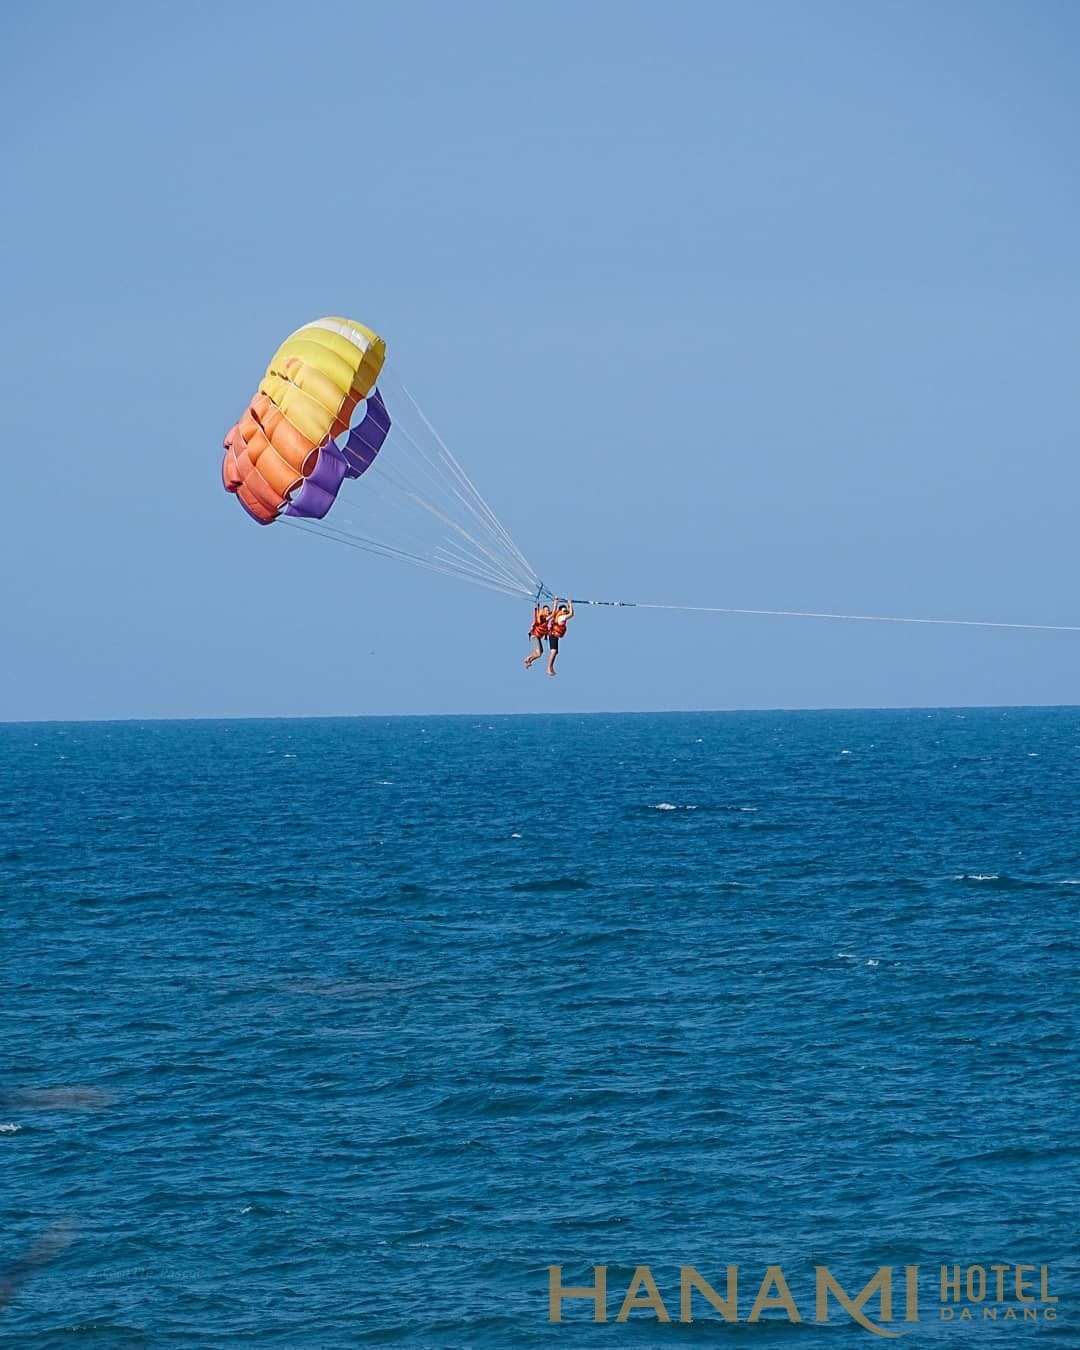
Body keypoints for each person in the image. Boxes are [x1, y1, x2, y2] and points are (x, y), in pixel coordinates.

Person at [545, 597, 573, 675]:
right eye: (564, 611)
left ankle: (550, 667)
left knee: (555, 652)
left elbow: (557, 610)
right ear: (560, 611)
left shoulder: (559, 615)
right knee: (554, 651)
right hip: (553, 635)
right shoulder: (561, 617)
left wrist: (556, 602)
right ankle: (549, 668)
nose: (565, 612)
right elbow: (571, 614)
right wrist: (570, 604)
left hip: (554, 635)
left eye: (565, 611)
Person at [524, 602, 552, 669]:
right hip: (534, 636)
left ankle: (529, 661)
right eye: (546, 610)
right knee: (538, 653)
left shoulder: (546, 617)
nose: (547, 611)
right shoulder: (541, 618)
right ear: (543, 611)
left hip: (537, 637)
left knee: (540, 653)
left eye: (548, 610)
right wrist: (537, 607)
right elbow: (537, 615)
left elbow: (553, 613)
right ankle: (527, 659)